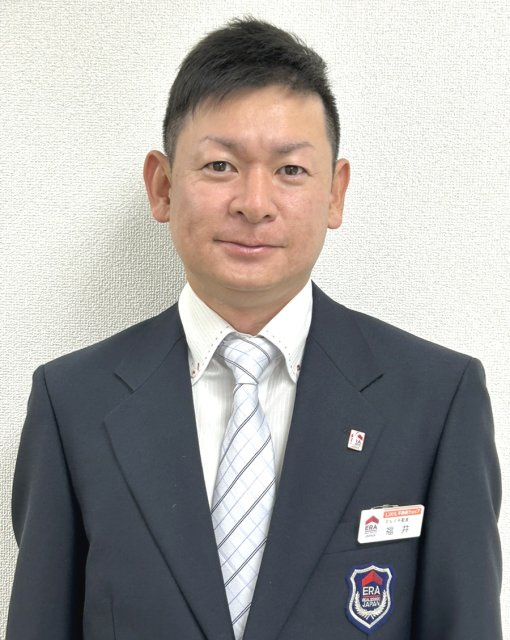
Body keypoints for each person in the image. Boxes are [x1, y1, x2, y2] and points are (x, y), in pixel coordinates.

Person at [7, 17, 502, 640]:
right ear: (162, 187)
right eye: (220, 165)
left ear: (335, 193)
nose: (254, 203)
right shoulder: (72, 404)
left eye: (290, 170)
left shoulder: (436, 400)